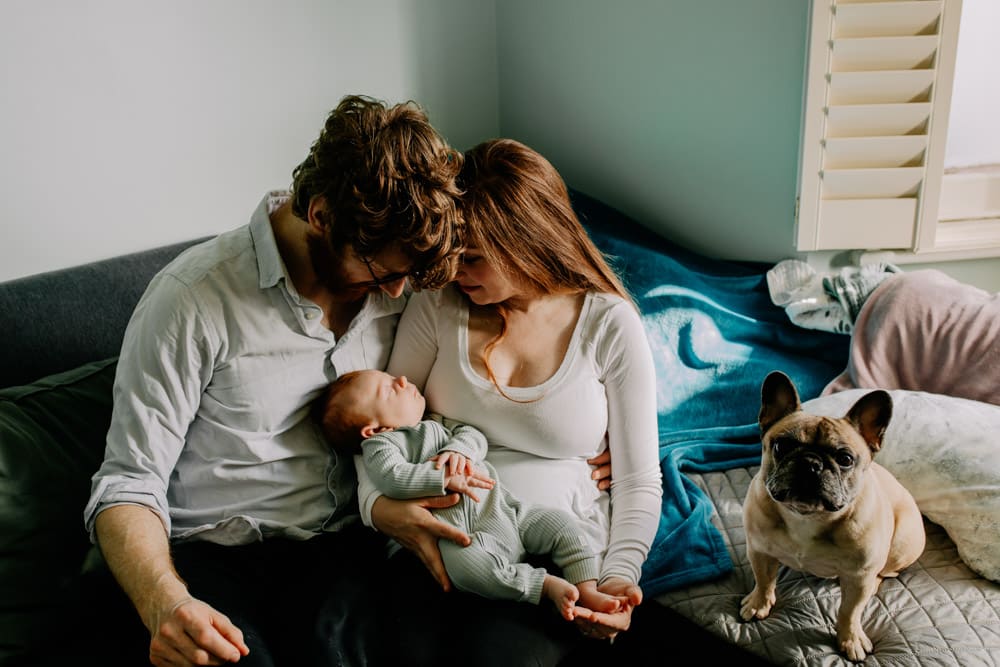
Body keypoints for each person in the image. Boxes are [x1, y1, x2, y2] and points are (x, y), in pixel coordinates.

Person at [82, 94, 469, 667]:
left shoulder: (396, 283)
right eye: (381, 273)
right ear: (319, 216)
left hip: (347, 553)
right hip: (212, 560)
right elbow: (127, 484)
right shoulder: (193, 299)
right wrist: (165, 602)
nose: (396, 293)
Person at [356, 137, 667, 664]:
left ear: (526, 240)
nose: (456, 272)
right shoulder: (438, 307)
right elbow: (380, 428)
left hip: (556, 556)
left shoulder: (607, 323)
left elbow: (639, 480)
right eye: (453, 255)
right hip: (442, 541)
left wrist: (618, 579)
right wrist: (380, 509)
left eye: (473, 258)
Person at [316, 368, 630, 621]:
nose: (400, 379)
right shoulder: (382, 447)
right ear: (373, 430)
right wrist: (442, 477)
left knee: (561, 525)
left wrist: (459, 448)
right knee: (468, 567)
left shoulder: (436, 424)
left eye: (390, 377)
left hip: (509, 511)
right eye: (386, 389)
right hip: (462, 537)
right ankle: (543, 585)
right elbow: (392, 478)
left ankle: (587, 586)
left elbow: (472, 435)